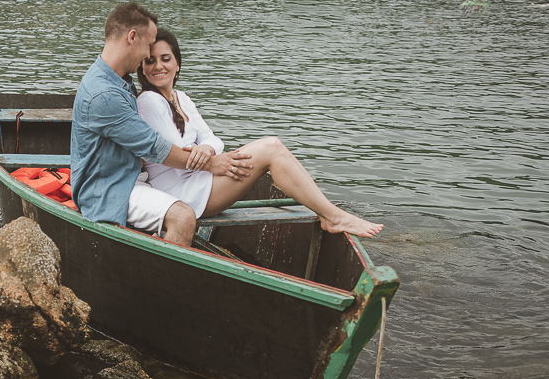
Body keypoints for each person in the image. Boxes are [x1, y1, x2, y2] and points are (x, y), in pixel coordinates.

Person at [134, 28, 384, 245]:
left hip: (199, 179)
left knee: (273, 149)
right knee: (272, 148)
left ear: (177, 64)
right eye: (150, 61)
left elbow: (212, 138)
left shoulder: (182, 98)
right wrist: (203, 152)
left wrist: (208, 150)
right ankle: (332, 215)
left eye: (165, 59)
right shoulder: (148, 100)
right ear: (142, 69)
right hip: (178, 193)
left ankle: (327, 212)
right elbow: (178, 155)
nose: (158, 66)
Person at [70, 3, 250, 244]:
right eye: (148, 46)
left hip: (132, 179)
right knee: (183, 216)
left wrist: (207, 152)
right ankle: (166, 279)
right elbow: (153, 147)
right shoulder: (103, 94)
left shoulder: (119, 79)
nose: (148, 56)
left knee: (180, 205)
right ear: (132, 37)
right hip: (106, 190)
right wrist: (210, 164)